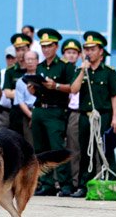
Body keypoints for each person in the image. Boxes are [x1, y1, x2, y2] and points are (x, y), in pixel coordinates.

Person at [70, 31, 116, 198]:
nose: (89, 52)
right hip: (85, 116)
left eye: (92, 49)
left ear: (100, 51)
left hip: (103, 116)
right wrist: (81, 72)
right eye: (87, 49)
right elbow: (73, 90)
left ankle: (110, 183)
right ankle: (85, 185)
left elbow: (115, 95)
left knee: (106, 150)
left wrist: (115, 117)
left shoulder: (109, 72)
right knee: (86, 151)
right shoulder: (81, 70)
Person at [30, 28, 75, 197]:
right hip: (39, 109)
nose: (46, 49)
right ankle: (47, 183)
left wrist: (55, 85)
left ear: (56, 47)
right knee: (41, 150)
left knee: (57, 148)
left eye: (49, 46)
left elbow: (72, 88)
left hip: (55, 111)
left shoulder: (65, 66)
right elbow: (38, 91)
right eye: (43, 46)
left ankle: (65, 184)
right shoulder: (40, 66)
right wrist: (33, 88)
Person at [62, 39, 82, 190]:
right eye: (68, 52)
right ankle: (69, 181)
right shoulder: (62, 70)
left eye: (74, 53)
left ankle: (78, 180)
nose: (71, 56)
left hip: (80, 110)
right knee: (68, 147)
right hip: (65, 111)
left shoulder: (81, 70)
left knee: (79, 148)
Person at [3, 33, 31, 136]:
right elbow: (7, 93)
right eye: (17, 50)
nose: (20, 53)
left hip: (31, 110)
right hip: (16, 111)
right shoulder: (10, 71)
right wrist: (26, 93)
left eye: (23, 49)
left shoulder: (35, 68)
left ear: (29, 49)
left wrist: (17, 93)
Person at [13, 50, 38, 146]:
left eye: (32, 59)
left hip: (42, 111)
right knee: (30, 143)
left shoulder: (44, 77)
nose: (30, 62)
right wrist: (32, 116)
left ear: (37, 61)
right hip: (27, 113)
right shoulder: (20, 81)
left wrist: (36, 115)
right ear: (24, 62)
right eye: (28, 59)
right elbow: (21, 101)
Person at [0, 45, 16, 130]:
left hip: (17, 111)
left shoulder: (20, 73)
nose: (11, 60)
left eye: (13, 58)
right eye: (8, 58)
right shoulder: (1, 73)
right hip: (3, 112)